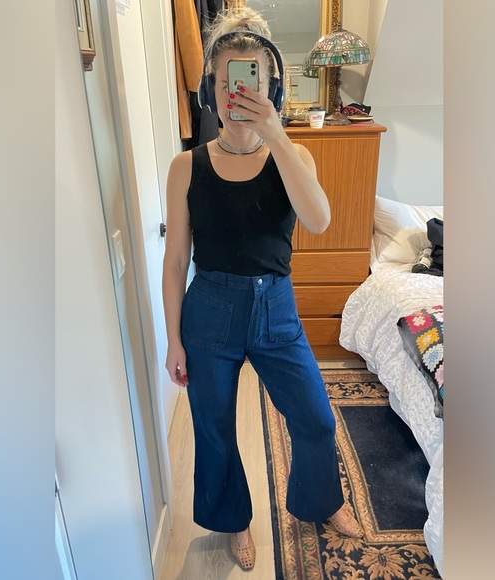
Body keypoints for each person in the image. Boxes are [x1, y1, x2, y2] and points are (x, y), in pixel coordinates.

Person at [162, 6, 364, 571]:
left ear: (271, 87)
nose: (237, 93)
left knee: (316, 419)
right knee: (214, 427)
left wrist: (275, 133)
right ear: (210, 88)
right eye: (226, 81)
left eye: (250, 80)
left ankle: (320, 501)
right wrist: (174, 339)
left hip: (276, 307)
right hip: (210, 310)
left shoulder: (294, 156)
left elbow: (319, 221)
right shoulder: (185, 167)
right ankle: (234, 521)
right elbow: (175, 260)